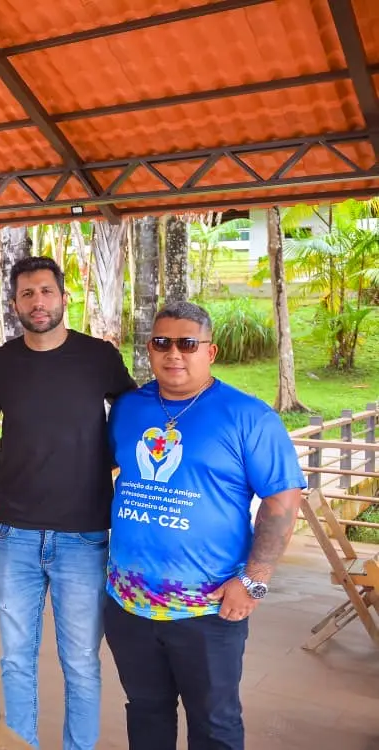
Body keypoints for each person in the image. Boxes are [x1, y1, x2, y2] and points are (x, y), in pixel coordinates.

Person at [104, 301, 304, 750]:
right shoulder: (129, 409)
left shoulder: (249, 417)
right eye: (162, 343)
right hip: (127, 604)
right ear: (150, 350)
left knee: (214, 723)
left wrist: (254, 580)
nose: (174, 353)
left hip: (208, 607)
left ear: (209, 353)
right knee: (145, 711)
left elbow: (282, 498)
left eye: (187, 344)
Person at [0, 255, 137, 749]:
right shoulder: (0, 361)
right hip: (13, 535)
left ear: (64, 298)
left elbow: (133, 416)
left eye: (45, 291)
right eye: (27, 293)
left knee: (82, 661)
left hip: (84, 537)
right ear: (15, 303)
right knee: (16, 658)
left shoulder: (98, 357)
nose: (37, 302)